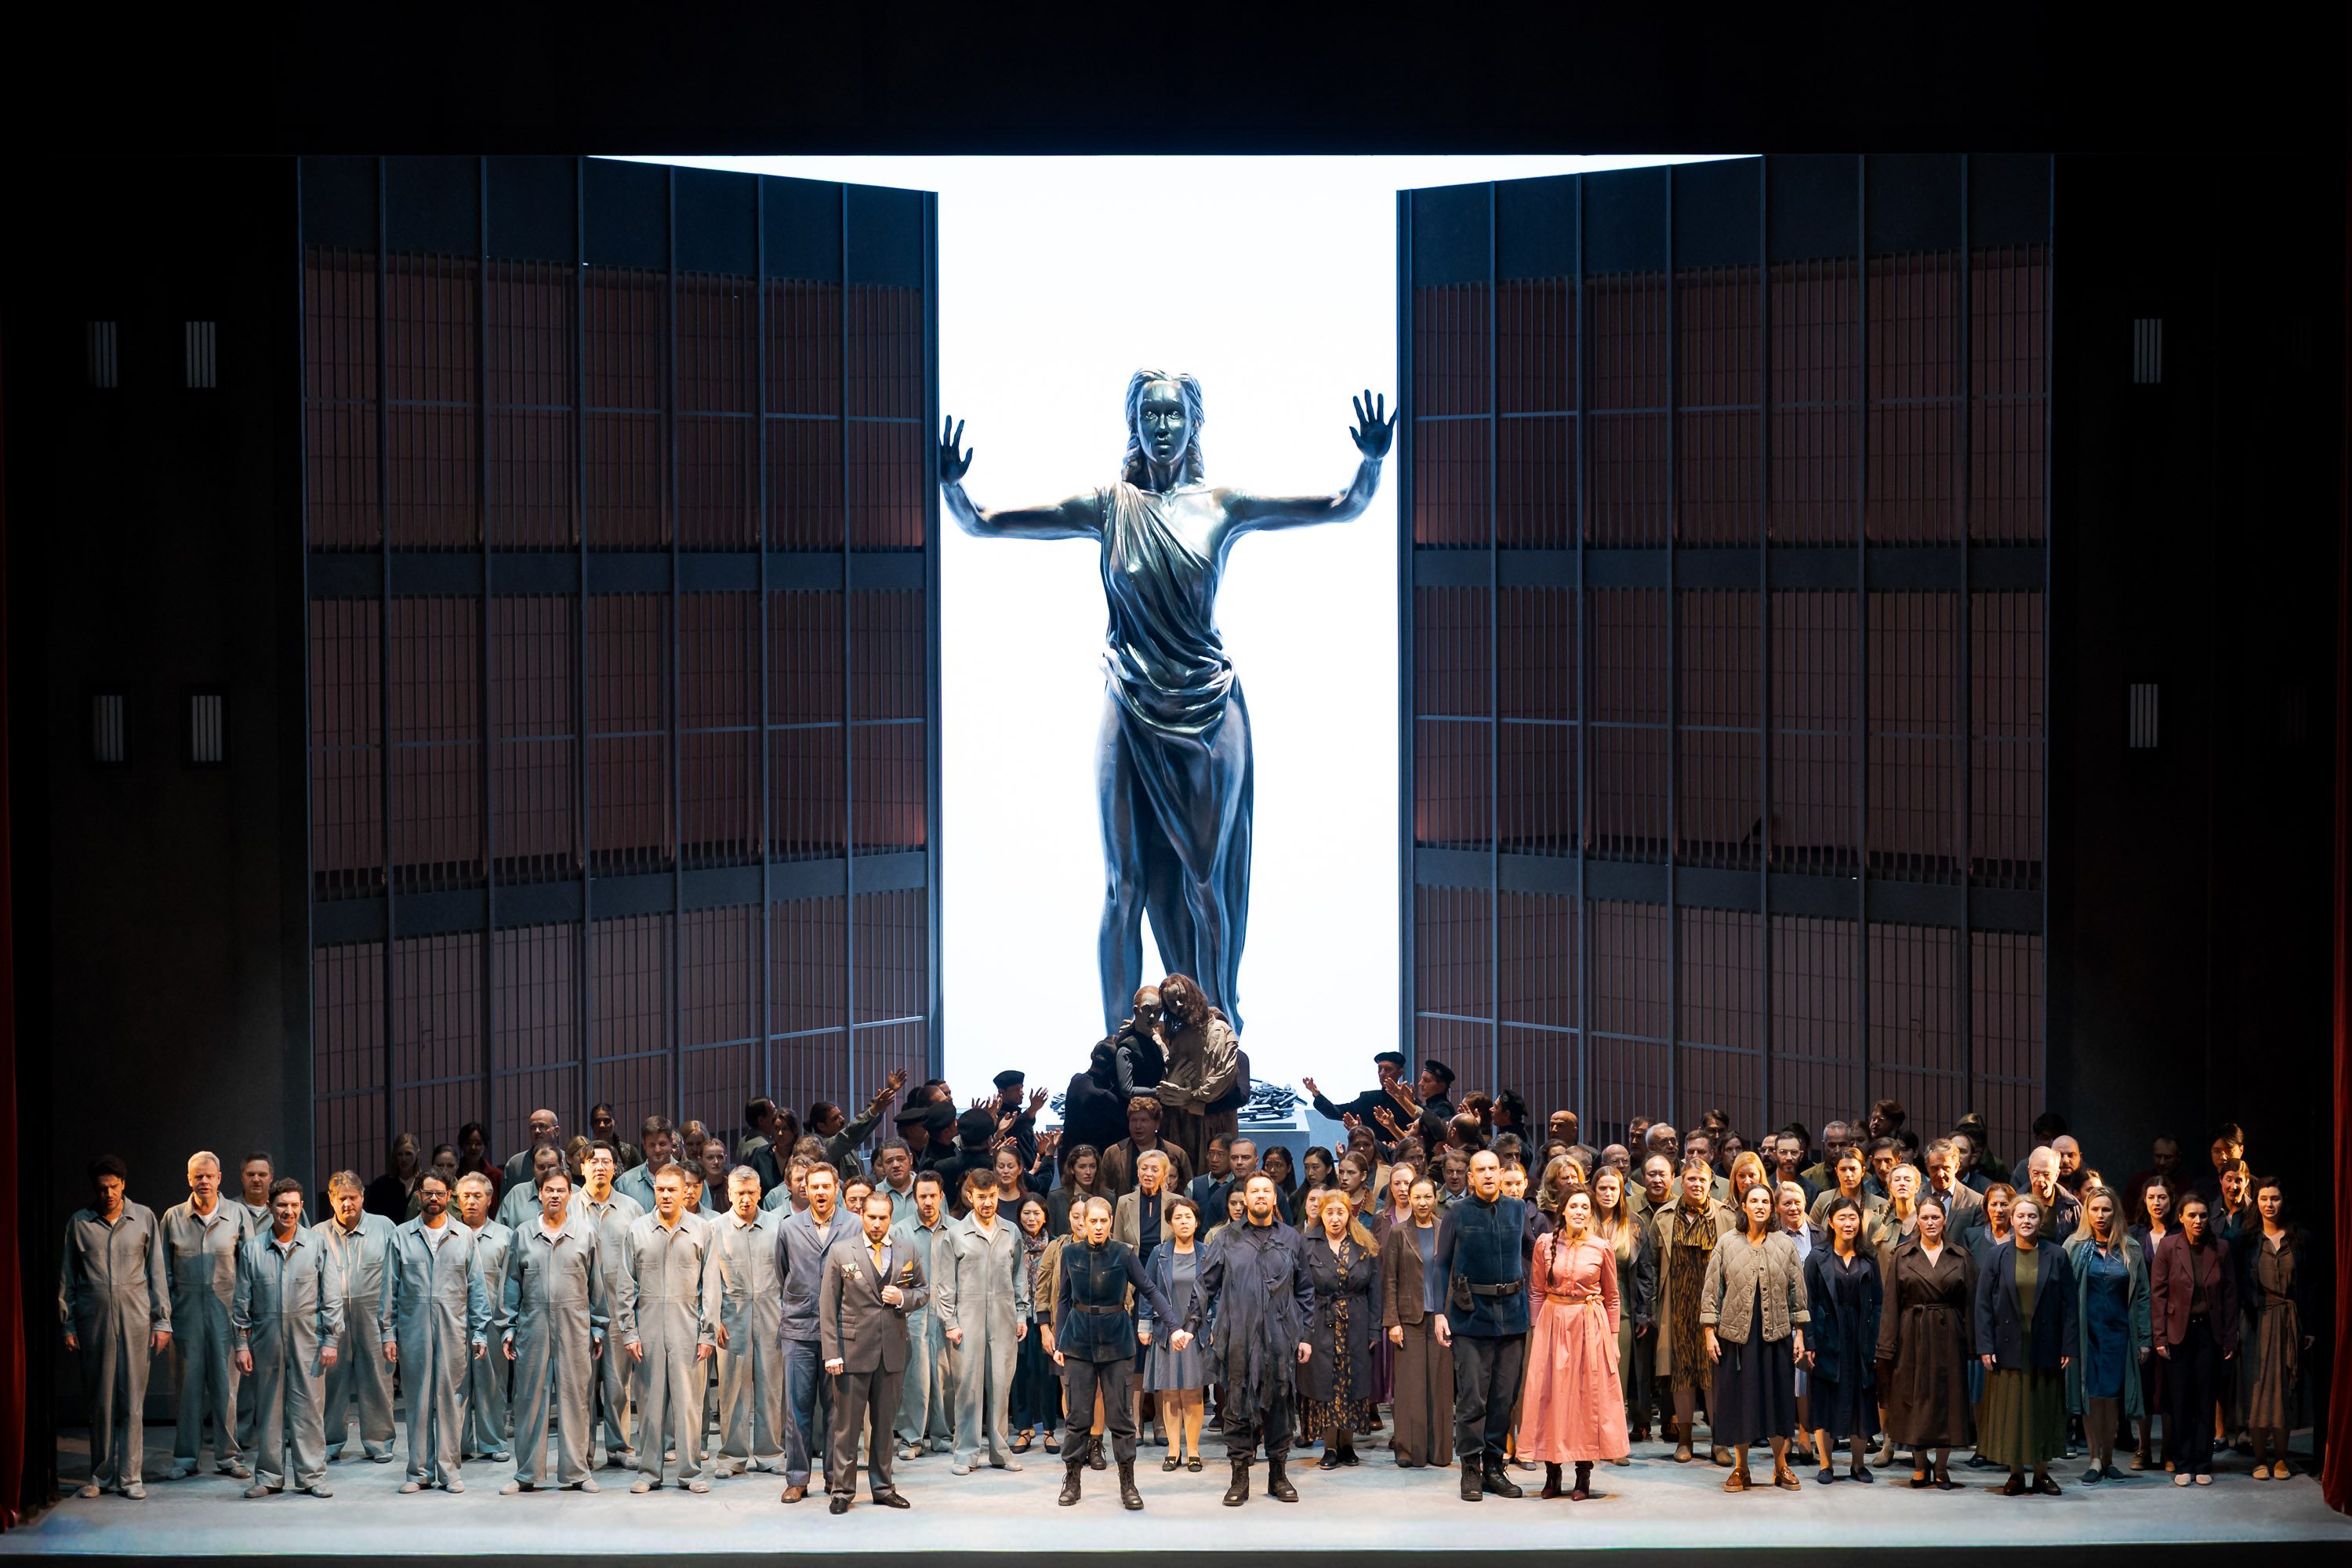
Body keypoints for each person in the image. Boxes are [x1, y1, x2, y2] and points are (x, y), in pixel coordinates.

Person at [1186, 1173, 1312, 1506]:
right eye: (1254, 1191)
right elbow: (1205, 1285)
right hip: (1238, 1336)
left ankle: (1278, 1476)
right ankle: (1239, 1477)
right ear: (1245, 1199)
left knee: (1280, 1407)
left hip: (1280, 1337)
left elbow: (1305, 1289)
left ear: (1274, 1198)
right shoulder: (1226, 1238)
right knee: (1238, 1408)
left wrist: (1305, 1335)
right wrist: (1191, 1324)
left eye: (1266, 1191)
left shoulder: (1291, 1238)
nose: (1259, 1196)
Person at [1053, 1196, 1181, 1510]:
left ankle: (1128, 1482)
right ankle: (1072, 1479)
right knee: (1078, 1417)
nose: (1097, 1227)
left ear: (1111, 1222)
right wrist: (1059, 1342)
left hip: (1116, 1342)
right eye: (1092, 1221)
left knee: (1121, 1419)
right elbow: (1064, 1300)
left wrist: (1174, 1325)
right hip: (1079, 1342)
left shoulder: (1124, 1253)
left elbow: (1149, 1289)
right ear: (1083, 1223)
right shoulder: (1070, 1254)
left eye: (1103, 1221)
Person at [1434, 1149, 1546, 1501]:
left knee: (1503, 1398)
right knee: (1472, 1398)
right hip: (1470, 1316)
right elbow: (1441, 1265)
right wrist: (1439, 1312)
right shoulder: (1457, 1212)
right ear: (1470, 1176)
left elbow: (1534, 1251)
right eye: (1479, 1170)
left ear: (1501, 1174)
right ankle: (1470, 1468)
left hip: (1512, 1316)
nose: (1486, 1175)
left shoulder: (1517, 1209)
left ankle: (1494, 1466)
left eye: (1492, 1169)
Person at [58, 1155, 172, 1500]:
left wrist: (162, 1320)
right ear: (95, 1188)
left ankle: (131, 1476)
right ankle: (100, 1474)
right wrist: (68, 1325)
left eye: (114, 1186)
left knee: (133, 1399)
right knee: (101, 1400)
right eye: (102, 1188)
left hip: (136, 1319)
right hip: (95, 1321)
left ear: (123, 1184)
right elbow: (68, 1279)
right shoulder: (80, 1223)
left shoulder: (144, 1218)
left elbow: (157, 1273)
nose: (108, 1193)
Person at [379, 1170, 489, 1495]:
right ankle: (419, 1472)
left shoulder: (464, 1236)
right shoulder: (401, 1236)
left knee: (452, 1401)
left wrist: (480, 1332)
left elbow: (477, 1288)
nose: (434, 1199)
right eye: (428, 1193)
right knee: (417, 1402)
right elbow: (390, 1289)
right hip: (413, 1332)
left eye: (440, 1193)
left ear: (449, 1196)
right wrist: (388, 1333)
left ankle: (450, 1471)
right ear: (419, 1196)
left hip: (454, 1331)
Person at [820, 1189, 931, 1512]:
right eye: (872, 1217)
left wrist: (904, 1299)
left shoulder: (906, 1249)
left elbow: (923, 1291)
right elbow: (827, 1306)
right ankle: (842, 1491)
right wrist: (831, 1352)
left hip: (892, 1349)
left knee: (885, 1425)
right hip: (852, 1350)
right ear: (861, 1215)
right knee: (847, 1426)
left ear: (891, 1218)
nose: (878, 1223)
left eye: (884, 1218)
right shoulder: (842, 1252)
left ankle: (883, 1488)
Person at [497, 1167, 606, 1494]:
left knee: (576, 1400)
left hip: (575, 1327)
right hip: (533, 1327)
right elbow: (511, 1284)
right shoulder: (523, 1234)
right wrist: (507, 1328)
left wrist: (598, 1327)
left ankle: (577, 1472)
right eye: (549, 1190)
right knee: (530, 1399)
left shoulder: (585, 1234)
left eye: (561, 1190)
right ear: (540, 1195)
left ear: (570, 1195)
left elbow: (595, 1286)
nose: (555, 1195)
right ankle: (527, 1474)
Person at [233, 1176, 341, 1499]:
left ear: (302, 1207)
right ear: (269, 1207)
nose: (288, 1211)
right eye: (282, 1205)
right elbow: (242, 1301)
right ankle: (268, 1477)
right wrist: (241, 1344)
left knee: (309, 1408)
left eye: (294, 1205)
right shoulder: (253, 1249)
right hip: (266, 1340)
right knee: (268, 1409)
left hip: (308, 1338)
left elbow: (331, 1296)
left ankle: (311, 1476)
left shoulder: (317, 1244)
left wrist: (331, 1340)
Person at [1698, 1180, 1807, 1494]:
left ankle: (1780, 1466)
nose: (1760, 1206)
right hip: (1736, 1336)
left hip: (1776, 1335)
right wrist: (1709, 1332)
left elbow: (1796, 1293)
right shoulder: (1727, 1243)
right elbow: (1712, 1291)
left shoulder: (1784, 1245)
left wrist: (1800, 1334)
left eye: (1765, 1201)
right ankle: (1741, 1467)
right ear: (1743, 1207)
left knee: (1778, 1402)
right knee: (1740, 1403)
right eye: (1754, 1201)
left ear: (1771, 1208)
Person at [1519, 1189, 1628, 1501]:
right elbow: (1537, 1291)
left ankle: (1583, 1475)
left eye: (1584, 1206)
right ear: (1562, 1211)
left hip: (1588, 1326)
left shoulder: (1601, 1247)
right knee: (1551, 1398)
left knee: (1585, 1399)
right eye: (1573, 1206)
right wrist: (1540, 1330)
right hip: (1554, 1325)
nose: (1579, 1211)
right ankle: (1553, 1473)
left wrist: (1613, 1338)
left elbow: (1612, 1296)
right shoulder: (1544, 1244)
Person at [615, 1164, 717, 1494]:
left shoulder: (702, 1230)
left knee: (689, 1405)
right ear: (655, 1191)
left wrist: (708, 1333)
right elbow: (625, 1286)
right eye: (661, 1189)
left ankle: (690, 1473)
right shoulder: (637, 1230)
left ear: (685, 1190)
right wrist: (629, 1332)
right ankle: (649, 1472)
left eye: (673, 1189)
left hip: (688, 1325)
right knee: (649, 1404)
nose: (666, 1195)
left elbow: (712, 1287)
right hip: (648, 1327)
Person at [1976, 1192, 2078, 1496]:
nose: (2026, 1221)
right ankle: (2016, 1474)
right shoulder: (1997, 1256)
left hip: (2045, 1345)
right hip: (2008, 1346)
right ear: (2011, 1219)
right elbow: (1982, 1305)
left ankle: (2042, 1473)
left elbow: (2069, 1306)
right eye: (2020, 1216)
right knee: (2013, 1412)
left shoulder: (2057, 1255)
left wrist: (2068, 1346)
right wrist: (1985, 1346)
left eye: (2032, 1216)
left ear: (2040, 1220)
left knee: (2043, 1409)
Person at [162, 1151, 252, 1482]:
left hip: (226, 1318)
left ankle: (229, 1457)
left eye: (209, 1176)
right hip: (185, 1321)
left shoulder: (237, 1215)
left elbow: (248, 1270)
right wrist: (166, 1315)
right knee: (186, 1392)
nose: (203, 1181)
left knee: (226, 1390)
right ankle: (186, 1458)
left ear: (219, 1178)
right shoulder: (172, 1218)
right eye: (197, 1176)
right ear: (189, 1179)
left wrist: (246, 1320)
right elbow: (163, 1273)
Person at [1878, 1192, 1976, 1489]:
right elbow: (1891, 1304)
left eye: (1936, 1217)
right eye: (1925, 1217)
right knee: (1915, 1399)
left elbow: (1970, 1303)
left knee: (1948, 1400)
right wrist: (1886, 1345)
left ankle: (1943, 1468)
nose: (1930, 1222)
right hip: (1912, 1333)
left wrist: (1972, 1344)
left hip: (1949, 1336)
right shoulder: (1902, 1255)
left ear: (1944, 1219)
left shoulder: (1960, 1255)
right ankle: (1920, 1466)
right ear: (1917, 1220)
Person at [777, 1162, 858, 1502]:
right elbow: (782, 1271)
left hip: (840, 1328)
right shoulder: (789, 1228)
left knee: (838, 1409)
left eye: (828, 1186)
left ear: (837, 1188)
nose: (821, 1192)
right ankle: (797, 1478)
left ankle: (834, 1477)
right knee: (797, 1408)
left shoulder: (854, 1224)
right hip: (798, 1327)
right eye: (815, 1187)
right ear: (804, 1190)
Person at [940, 1169, 1030, 1474]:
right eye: (982, 1197)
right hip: (968, 1319)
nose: (988, 1202)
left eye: (992, 1196)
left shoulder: (1011, 1232)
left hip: (1004, 1319)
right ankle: (965, 1453)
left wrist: (1021, 1314)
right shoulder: (955, 1234)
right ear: (970, 1197)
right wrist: (950, 1322)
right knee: (968, 1388)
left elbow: (1019, 1275)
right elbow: (944, 1284)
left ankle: (1000, 1452)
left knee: (1001, 1385)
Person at [2063, 1183, 2151, 1484]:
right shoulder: (2074, 1247)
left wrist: (2144, 1338)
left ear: (2116, 1213)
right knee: (2090, 1395)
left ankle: (2110, 1458)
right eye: (2095, 1209)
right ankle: (2094, 1459)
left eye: (2106, 1209)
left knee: (2111, 1397)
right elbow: (2064, 1295)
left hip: (2118, 1333)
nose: (2100, 1215)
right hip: (2086, 1334)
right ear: (2087, 1212)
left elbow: (2142, 1296)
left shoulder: (2130, 1248)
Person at [1651, 1156, 1735, 1465]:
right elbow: (1652, 1265)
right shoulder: (1664, 1216)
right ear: (1681, 1182)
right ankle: (1684, 1439)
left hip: (1716, 1308)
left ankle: (1719, 1442)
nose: (1697, 1185)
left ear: (1710, 1183)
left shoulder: (1725, 1216)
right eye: (1691, 1179)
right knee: (1682, 1375)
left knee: (1715, 1374)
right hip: (1677, 1307)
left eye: (1702, 1180)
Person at [2151, 1192, 2238, 1486]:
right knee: (2180, 1400)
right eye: (2192, 1215)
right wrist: (2159, 1336)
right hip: (2179, 1332)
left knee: (2205, 1399)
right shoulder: (2168, 1246)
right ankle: (2183, 1463)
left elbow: (2229, 1296)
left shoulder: (2221, 1248)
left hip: (2209, 1334)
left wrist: (2229, 1338)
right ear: (2181, 1218)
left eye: (2202, 1215)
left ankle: (2203, 1463)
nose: (2198, 1221)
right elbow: (2158, 1294)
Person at [313, 1171, 397, 1466]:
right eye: (341, 1198)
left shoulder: (384, 1227)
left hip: (374, 1316)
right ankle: (330, 1442)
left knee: (377, 1378)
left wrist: (391, 1327)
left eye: (353, 1197)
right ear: (332, 1200)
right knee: (332, 1381)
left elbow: (395, 1276)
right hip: (333, 1318)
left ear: (363, 1197)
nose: (347, 1203)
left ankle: (379, 1442)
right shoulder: (317, 1233)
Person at [710, 1167, 787, 1478]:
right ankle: (732, 1457)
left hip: (772, 1314)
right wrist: (714, 1319)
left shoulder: (778, 1226)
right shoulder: (714, 1228)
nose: (745, 1199)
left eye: (750, 1193)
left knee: (771, 1386)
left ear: (759, 1193)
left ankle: (771, 1453)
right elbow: (708, 1279)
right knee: (732, 1389)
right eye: (739, 1193)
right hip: (732, 1315)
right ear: (729, 1194)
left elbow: (790, 1273)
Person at [572, 1142, 644, 1468]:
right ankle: (582, 1452)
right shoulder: (568, 1206)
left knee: (618, 1385)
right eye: (593, 1161)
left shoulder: (632, 1209)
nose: (600, 1166)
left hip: (618, 1308)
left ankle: (619, 1447)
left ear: (616, 1167)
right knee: (582, 1387)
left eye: (606, 1161)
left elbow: (640, 1262)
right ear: (582, 1167)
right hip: (578, 1311)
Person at [1802, 1196, 1882, 1484]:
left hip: (1860, 1335)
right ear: (1831, 1223)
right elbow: (1808, 1303)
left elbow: (1878, 1304)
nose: (1848, 1223)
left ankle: (1858, 1464)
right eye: (1842, 1218)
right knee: (1825, 1399)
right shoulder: (1817, 1256)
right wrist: (1809, 1341)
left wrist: (1875, 1341)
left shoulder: (1869, 1258)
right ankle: (1826, 1464)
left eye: (1853, 1218)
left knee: (1861, 1399)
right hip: (1827, 1335)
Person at [1301, 1189, 1380, 1470]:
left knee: (1351, 1382)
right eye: (1329, 1212)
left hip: (1356, 1323)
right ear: (1321, 1214)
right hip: (1321, 1323)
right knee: (1327, 1383)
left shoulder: (1365, 1245)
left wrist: (1373, 1331)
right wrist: (1304, 1333)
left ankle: (1348, 1444)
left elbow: (1375, 1291)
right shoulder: (1307, 1244)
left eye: (1340, 1212)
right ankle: (1330, 1446)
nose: (1335, 1218)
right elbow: (1300, 1291)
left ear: (1350, 1214)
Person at [2241, 1177, 2314, 1480]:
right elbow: (2237, 1286)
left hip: (2288, 1320)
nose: (2269, 1204)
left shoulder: (2300, 1239)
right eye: (2263, 1199)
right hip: (2257, 1321)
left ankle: (2281, 1459)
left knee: (2284, 1390)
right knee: (2258, 1391)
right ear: (2256, 1203)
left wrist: (2309, 1326)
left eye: (2275, 1198)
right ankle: (2260, 1459)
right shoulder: (2246, 1240)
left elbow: (2310, 1286)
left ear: (2284, 1201)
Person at [1380, 1176, 1453, 1470]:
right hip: (1408, 1319)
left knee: (1440, 1385)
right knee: (1410, 1388)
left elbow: (1451, 1275)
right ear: (1408, 1199)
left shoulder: (1445, 1230)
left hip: (1440, 1319)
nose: (1422, 1203)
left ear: (1435, 1199)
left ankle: (1439, 1451)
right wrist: (1392, 1321)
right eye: (1417, 1197)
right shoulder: (1398, 1233)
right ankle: (1409, 1450)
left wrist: (1449, 1314)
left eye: (1427, 1197)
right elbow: (1390, 1279)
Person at [1138, 1194, 1210, 1472]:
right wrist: (1144, 1325)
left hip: (1196, 1332)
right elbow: (1148, 1290)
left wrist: (1213, 1325)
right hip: (1166, 1331)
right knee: (1170, 1392)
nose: (1183, 1221)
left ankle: (1193, 1450)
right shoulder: (1159, 1254)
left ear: (1196, 1222)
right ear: (1170, 1222)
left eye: (1188, 1217)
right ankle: (1172, 1449)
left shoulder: (1207, 1252)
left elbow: (1214, 1293)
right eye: (1177, 1217)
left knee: (1192, 1391)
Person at [888, 1171, 956, 1460]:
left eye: (933, 1196)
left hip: (946, 1313)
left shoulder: (956, 1229)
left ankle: (943, 1435)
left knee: (946, 1377)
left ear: (941, 1197)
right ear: (915, 1198)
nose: (928, 1202)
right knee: (914, 1378)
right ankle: (911, 1439)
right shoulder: (900, 1230)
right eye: (922, 1196)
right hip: (913, 1314)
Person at [452, 1173, 514, 1464]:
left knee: (492, 1385)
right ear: (457, 1200)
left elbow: (512, 1283)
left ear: (490, 1200)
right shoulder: (449, 1233)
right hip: (454, 1321)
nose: (471, 1201)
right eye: (466, 1196)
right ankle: (459, 1444)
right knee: (456, 1385)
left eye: (478, 1196)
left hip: (493, 1321)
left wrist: (510, 1324)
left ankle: (493, 1441)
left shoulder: (505, 1236)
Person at [1011, 1195, 1062, 1454]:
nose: (1031, 1218)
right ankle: (1023, 1429)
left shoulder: (1055, 1246)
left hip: (1046, 1318)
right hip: (1017, 1317)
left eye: (1037, 1213)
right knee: (1021, 1372)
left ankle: (1050, 1431)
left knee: (1047, 1372)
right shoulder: (1013, 1243)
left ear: (1045, 1216)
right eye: (1027, 1213)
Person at [1102, 1094, 1196, 1200]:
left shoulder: (1177, 1154)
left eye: (1144, 1120)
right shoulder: (1113, 1153)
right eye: (1133, 1120)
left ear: (1157, 1124)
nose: (1138, 1126)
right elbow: (1103, 1191)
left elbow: (1189, 1191)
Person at [1064, 1039, 1131, 1159]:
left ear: (1092, 1055)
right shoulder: (1104, 1096)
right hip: (1094, 1160)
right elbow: (1126, 1124)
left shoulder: (1076, 1080)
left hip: (1071, 1155)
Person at [615, 1120, 677, 1213]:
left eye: (662, 1144)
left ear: (671, 1142)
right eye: (652, 1145)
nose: (657, 1150)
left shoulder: (690, 1179)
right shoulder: (624, 1184)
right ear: (644, 1145)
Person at [365, 1133, 425, 1224]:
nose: (404, 1159)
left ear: (417, 1155)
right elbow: (372, 1217)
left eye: (408, 1154)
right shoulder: (381, 1185)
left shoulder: (425, 1183)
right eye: (400, 1154)